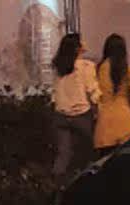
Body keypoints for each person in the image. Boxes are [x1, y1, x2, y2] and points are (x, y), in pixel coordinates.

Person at [50, 33, 99, 178]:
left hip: (60, 115)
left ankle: (56, 183)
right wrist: (98, 107)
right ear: (78, 48)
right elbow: (92, 90)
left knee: (63, 153)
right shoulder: (86, 66)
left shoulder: (58, 67)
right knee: (88, 153)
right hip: (81, 114)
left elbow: (54, 92)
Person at [93, 34, 130, 155]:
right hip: (126, 123)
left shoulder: (98, 69)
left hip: (104, 126)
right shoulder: (128, 70)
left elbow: (96, 95)